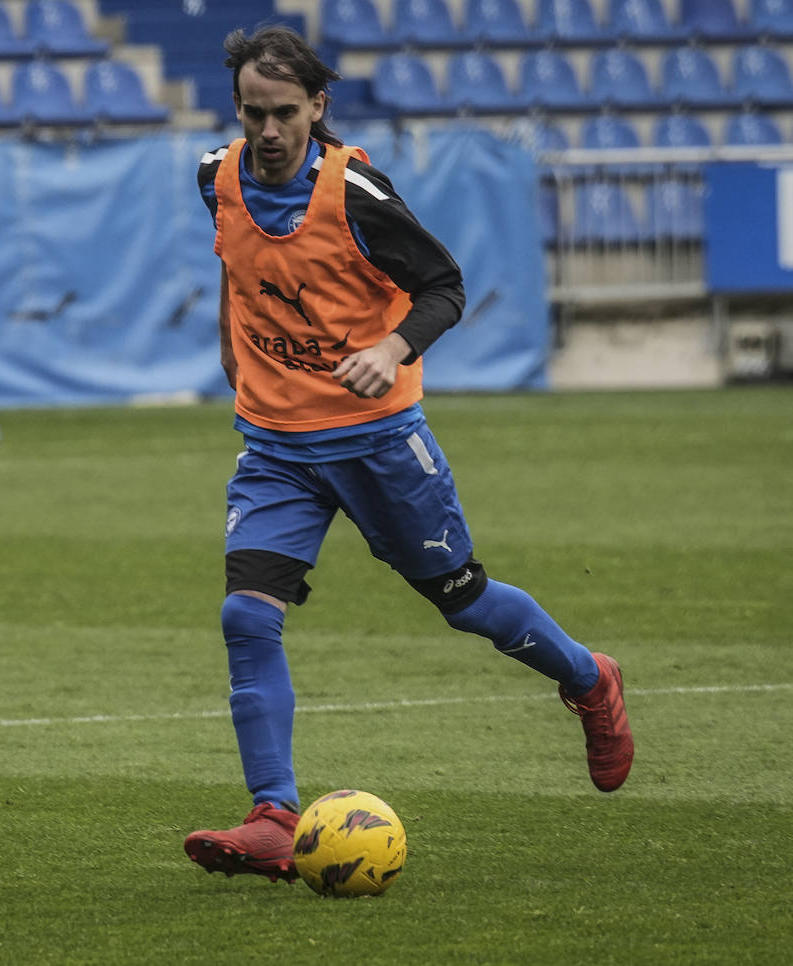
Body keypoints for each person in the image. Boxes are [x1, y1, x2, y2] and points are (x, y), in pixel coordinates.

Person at [183, 26, 633, 883]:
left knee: (462, 601)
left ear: (318, 108)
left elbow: (445, 285)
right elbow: (237, 268)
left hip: (379, 442)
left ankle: (587, 677)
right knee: (247, 615)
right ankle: (274, 814)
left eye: (285, 113)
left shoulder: (354, 191)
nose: (268, 131)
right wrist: (231, 351)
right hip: (276, 445)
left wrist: (390, 350)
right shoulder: (214, 176)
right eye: (254, 114)